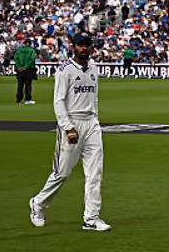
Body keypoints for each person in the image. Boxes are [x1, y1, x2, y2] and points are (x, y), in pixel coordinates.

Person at [28, 32, 111, 232]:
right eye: (80, 45)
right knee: (62, 173)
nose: (84, 48)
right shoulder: (65, 70)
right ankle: (38, 204)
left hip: (91, 123)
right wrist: (67, 127)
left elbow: (95, 98)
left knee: (94, 173)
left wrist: (96, 120)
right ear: (73, 46)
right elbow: (58, 101)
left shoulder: (93, 68)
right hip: (72, 123)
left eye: (87, 45)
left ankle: (91, 219)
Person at [14, 38, 38, 105]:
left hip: (19, 70)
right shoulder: (31, 50)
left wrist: (19, 67)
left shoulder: (19, 50)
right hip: (28, 69)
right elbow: (31, 60)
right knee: (28, 85)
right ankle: (27, 99)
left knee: (20, 85)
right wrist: (24, 67)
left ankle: (19, 100)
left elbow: (16, 58)